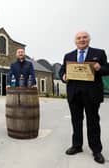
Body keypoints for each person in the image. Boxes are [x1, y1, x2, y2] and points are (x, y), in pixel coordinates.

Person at [59, 31, 109, 164]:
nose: (82, 40)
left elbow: (107, 69)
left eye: (84, 37)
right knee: (76, 121)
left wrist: (100, 68)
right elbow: (62, 70)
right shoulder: (68, 55)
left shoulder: (99, 53)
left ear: (89, 39)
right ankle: (77, 146)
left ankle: (96, 150)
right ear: (75, 41)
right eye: (79, 38)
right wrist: (63, 76)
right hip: (74, 94)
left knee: (93, 122)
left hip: (92, 94)